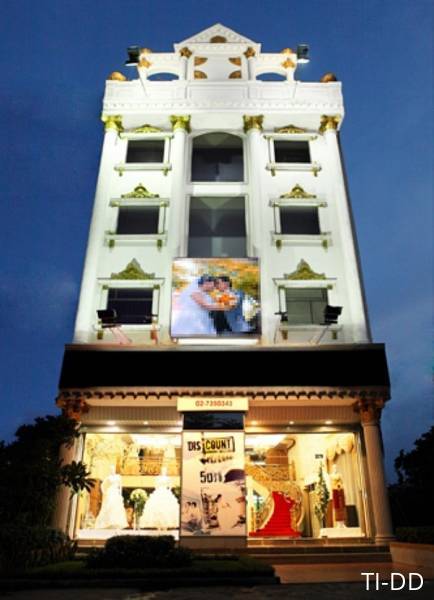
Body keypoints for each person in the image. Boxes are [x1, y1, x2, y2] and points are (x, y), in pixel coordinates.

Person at [95, 465, 128, 529]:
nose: (112, 470)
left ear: (114, 469)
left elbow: (120, 486)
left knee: (116, 507)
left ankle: (115, 523)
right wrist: (104, 492)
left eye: (113, 469)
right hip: (110, 492)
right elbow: (102, 485)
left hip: (116, 492)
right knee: (109, 506)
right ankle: (108, 522)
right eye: (111, 469)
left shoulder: (118, 477)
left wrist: (120, 494)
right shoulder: (108, 477)